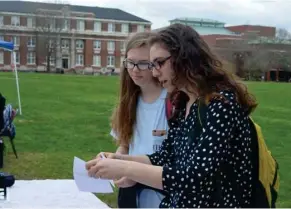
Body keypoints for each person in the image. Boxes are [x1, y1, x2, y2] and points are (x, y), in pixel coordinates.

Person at [87, 23, 258, 208]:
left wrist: (126, 168)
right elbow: (166, 156)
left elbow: (197, 177)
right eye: (152, 65)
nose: (154, 72)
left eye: (159, 63)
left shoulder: (220, 104)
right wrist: (119, 159)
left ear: (184, 57)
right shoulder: (182, 103)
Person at [108, 32, 168, 208]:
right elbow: (125, 144)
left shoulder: (173, 102)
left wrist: (135, 173)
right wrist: (114, 159)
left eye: (143, 63)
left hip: (163, 196)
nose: (135, 69)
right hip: (132, 196)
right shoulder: (129, 101)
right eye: (130, 62)